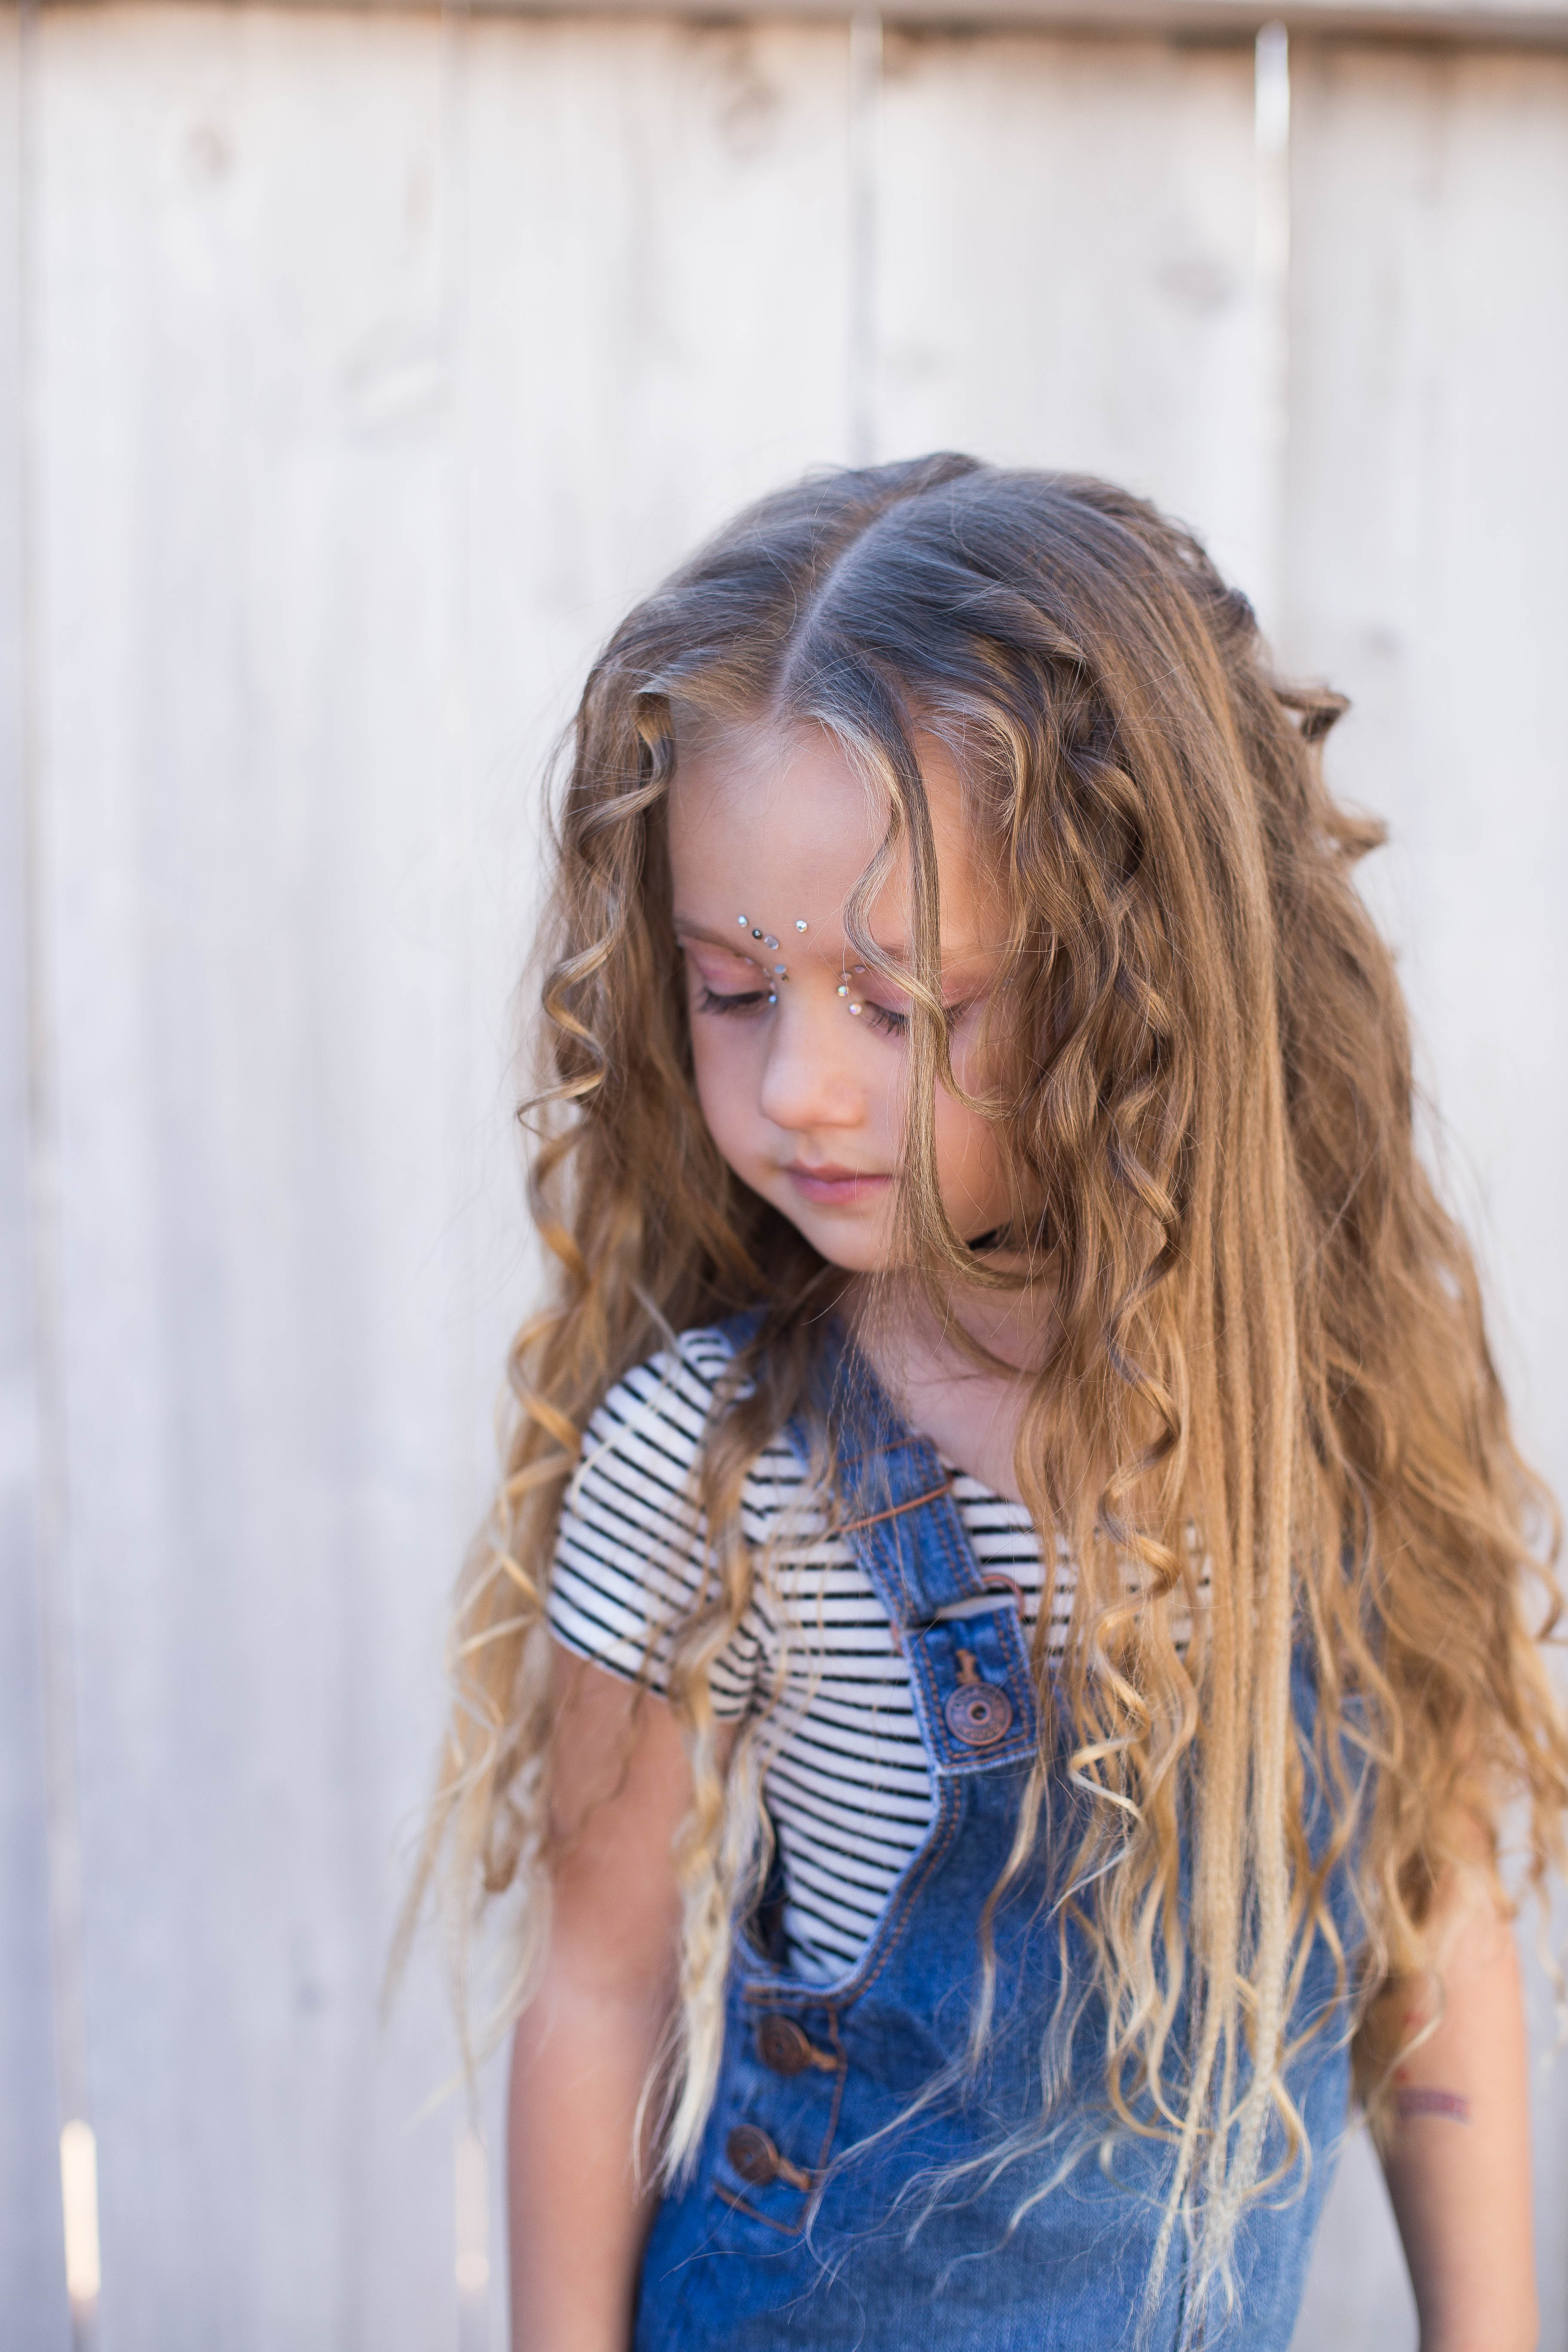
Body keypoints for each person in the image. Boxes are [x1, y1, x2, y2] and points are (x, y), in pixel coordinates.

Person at [410, 456, 1568, 2351]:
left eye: (905, 1008)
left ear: (1142, 983)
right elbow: (599, 1989)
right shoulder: (722, 1469)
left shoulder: (1335, 1437)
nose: (797, 1087)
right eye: (729, 989)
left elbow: (1432, 1945)